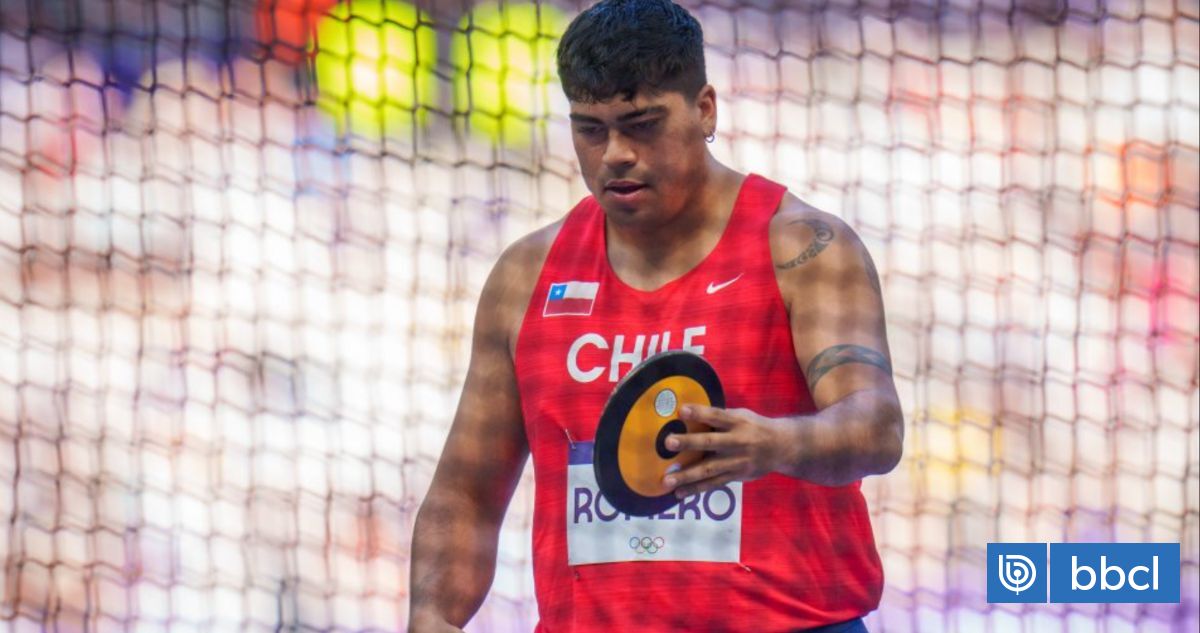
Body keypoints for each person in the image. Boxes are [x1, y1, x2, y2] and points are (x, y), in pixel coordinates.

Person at [409, 1, 903, 631]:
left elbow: (877, 427)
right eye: (590, 130)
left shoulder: (801, 250)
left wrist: (776, 444)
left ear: (705, 109)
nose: (615, 153)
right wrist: (431, 618)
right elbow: (466, 491)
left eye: (641, 125)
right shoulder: (526, 275)